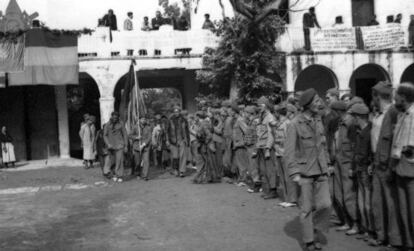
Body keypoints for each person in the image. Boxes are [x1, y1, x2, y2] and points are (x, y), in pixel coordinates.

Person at [285, 88, 331, 251]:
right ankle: (309, 240)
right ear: (307, 105)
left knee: (325, 205)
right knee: (306, 209)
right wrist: (294, 172)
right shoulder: (294, 124)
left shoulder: (318, 120)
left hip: (321, 170)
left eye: (319, 100)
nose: (319, 103)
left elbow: (323, 146)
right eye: (316, 100)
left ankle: (316, 230)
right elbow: (289, 152)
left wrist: (328, 164)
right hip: (304, 173)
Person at [370, 82, 402, 249]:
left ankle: (393, 239)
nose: (372, 100)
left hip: (387, 163)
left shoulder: (393, 113)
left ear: (378, 96)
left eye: (373, 96)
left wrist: (391, 165)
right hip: (376, 161)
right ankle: (381, 235)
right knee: (378, 202)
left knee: (390, 203)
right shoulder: (378, 114)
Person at [391, 83, 414, 251]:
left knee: (412, 210)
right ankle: (408, 244)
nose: (394, 99)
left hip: (410, 166)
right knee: (404, 209)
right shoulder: (402, 115)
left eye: (396, 96)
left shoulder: (413, 114)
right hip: (400, 166)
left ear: (403, 98)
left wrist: (403, 149)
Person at [348, 103, 375, 243]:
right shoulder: (360, 131)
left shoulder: (369, 132)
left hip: (366, 170)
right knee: (361, 201)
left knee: (367, 202)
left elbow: (371, 152)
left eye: (353, 116)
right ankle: (365, 229)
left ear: (358, 117)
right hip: (360, 168)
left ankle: (371, 231)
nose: (352, 119)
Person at [273, 103, 298, 207]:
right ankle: (286, 198)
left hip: (286, 153)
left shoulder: (288, 123)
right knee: (283, 177)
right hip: (279, 152)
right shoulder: (280, 123)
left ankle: (292, 199)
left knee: (288, 177)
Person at [254, 97, 277, 200]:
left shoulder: (270, 117)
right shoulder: (261, 117)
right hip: (261, 146)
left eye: (261, 105)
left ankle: (273, 190)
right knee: (263, 170)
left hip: (267, 147)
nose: (259, 108)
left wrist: (268, 148)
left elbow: (271, 134)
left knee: (270, 169)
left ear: (266, 105)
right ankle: (267, 189)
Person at [193, 112, 221, 184]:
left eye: (196, 117)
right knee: (209, 162)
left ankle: (209, 177)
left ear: (199, 117)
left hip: (207, 146)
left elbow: (209, 135)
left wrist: (205, 141)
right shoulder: (207, 123)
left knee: (208, 162)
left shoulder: (204, 124)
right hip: (207, 145)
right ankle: (210, 177)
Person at [103, 112, 128, 182]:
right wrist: (108, 144)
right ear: (111, 117)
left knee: (119, 161)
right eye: (113, 117)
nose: (114, 118)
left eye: (116, 117)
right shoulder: (108, 124)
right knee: (112, 161)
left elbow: (125, 134)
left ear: (118, 117)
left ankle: (119, 175)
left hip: (120, 145)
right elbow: (105, 135)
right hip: (111, 146)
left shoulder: (121, 123)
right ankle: (114, 174)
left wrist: (126, 145)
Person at [168, 106, 190, 177]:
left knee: (183, 156)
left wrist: (187, 140)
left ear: (179, 112)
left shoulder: (184, 120)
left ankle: (182, 171)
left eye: (177, 111)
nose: (176, 113)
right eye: (175, 112)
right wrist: (168, 140)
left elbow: (187, 131)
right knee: (175, 156)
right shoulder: (170, 120)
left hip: (182, 140)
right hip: (173, 140)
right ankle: (175, 169)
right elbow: (167, 131)